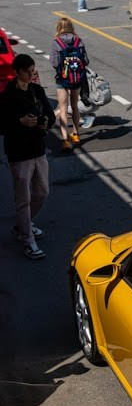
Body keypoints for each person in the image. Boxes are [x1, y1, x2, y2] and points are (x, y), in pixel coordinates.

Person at [0, 54, 55, 259]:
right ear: (17, 72)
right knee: (23, 197)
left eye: (33, 70)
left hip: (37, 148)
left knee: (42, 192)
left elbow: (50, 115)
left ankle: (24, 224)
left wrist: (44, 123)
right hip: (19, 152)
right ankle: (28, 239)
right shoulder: (8, 97)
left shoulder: (37, 91)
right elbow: (2, 124)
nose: (32, 74)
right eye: (28, 71)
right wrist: (20, 122)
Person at [51, 17, 89, 152]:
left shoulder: (57, 43)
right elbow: (86, 61)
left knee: (62, 108)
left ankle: (65, 139)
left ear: (59, 28)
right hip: (77, 78)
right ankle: (76, 134)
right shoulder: (79, 41)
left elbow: (55, 63)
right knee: (74, 105)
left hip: (62, 79)